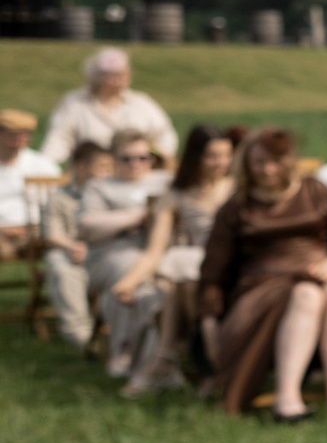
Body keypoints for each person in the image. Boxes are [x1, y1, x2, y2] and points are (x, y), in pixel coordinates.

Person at [200, 127, 327, 420]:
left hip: (320, 272)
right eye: (259, 162)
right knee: (307, 295)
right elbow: (213, 269)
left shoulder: (315, 191)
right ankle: (287, 399)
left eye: (274, 162)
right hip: (263, 284)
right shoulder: (237, 208)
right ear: (247, 163)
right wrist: (209, 317)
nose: (267, 170)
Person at [118, 123, 238, 394]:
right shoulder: (178, 194)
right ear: (195, 157)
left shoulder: (238, 187)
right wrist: (128, 282)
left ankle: (165, 357)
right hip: (195, 265)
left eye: (226, 155)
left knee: (182, 281)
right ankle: (190, 364)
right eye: (212, 156)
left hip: (231, 262)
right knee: (178, 281)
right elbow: (155, 249)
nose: (221, 163)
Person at [83, 130, 172, 379]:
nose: (136, 164)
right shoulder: (99, 187)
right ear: (113, 158)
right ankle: (124, 348)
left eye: (143, 157)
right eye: (127, 158)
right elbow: (87, 226)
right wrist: (135, 217)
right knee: (129, 271)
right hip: (109, 255)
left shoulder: (165, 181)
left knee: (147, 281)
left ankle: (152, 353)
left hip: (158, 252)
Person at [40, 47, 178, 166]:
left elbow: (164, 134)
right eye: (110, 76)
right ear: (95, 76)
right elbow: (59, 139)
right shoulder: (74, 104)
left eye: (121, 75)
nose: (116, 81)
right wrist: (46, 164)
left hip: (134, 176)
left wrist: (158, 156)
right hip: (90, 179)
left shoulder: (141, 103)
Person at [40, 141, 109, 348]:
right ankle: (81, 334)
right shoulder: (60, 198)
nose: (107, 173)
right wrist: (73, 247)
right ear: (81, 167)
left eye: (110, 167)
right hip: (70, 250)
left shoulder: (111, 194)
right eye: (102, 168)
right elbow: (52, 234)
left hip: (103, 250)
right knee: (62, 267)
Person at [0, 107, 62, 260]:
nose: (17, 142)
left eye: (23, 136)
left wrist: (28, 226)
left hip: (33, 229)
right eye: (12, 136)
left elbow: (55, 203)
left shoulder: (43, 165)